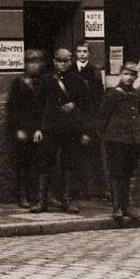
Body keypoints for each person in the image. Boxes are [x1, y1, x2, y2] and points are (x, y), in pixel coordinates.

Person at [31, 47, 89, 214]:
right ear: (54, 62)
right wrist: (37, 129)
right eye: (60, 61)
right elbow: (38, 106)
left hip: (71, 129)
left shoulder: (78, 81)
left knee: (69, 164)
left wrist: (74, 104)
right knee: (45, 163)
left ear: (71, 61)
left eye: (66, 61)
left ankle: (67, 201)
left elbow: (87, 106)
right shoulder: (46, 80)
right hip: (50, 129)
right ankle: (42, 202)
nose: (63, 64)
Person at [98, 62, 140, 224]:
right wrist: (106, 138)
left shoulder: (137, 94)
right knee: (116, 173)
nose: (129, 78)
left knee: (128, 173)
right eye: (126, 74)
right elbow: (102, 118)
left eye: (132, 75)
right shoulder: (112, 95)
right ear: (120, 74)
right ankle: (117, 207)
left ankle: (127, 206)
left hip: (133, 140)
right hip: (116, 140)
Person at [7, 49, 45, 208]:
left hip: (38, 130)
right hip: (23, 129)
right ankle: (22, 196)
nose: (35, 66)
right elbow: (13, 108)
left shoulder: (44, 82)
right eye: (31, 62)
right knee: (22, 164)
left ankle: (36, 195)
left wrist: (41, 128)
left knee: (37, 164)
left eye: (38, 62)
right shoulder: (19, 83)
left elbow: (45, 108)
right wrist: (18, 129)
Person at [73, 41, 106, 200]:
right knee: (74, 156)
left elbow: (99, 95)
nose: (82, 54)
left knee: (94, 156)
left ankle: (97, 190)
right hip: (73, 118)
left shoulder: (94, 72)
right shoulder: (71, 69)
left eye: (85, 51)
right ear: (75, 53)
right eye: (79, 51)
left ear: (89, 54)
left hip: (89, 117)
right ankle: (77, 190)